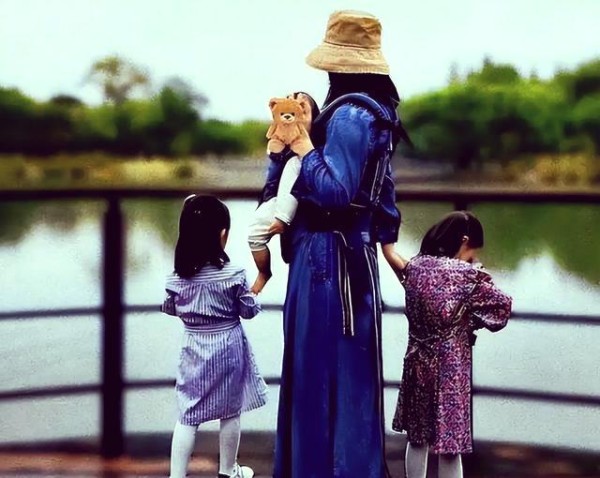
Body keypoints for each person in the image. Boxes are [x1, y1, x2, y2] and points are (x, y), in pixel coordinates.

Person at [272, 10, 409, 478]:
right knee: (352, 370)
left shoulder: (349, 115)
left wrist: (303, 148)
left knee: (319, 371)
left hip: (327, 261)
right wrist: (387, 244)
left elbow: (335, 192)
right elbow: (383, 191)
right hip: (355, 257)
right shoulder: (376, 112)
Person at [391, 211, 513, 478]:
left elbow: (404, 275)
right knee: (450, 444)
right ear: (465, 240)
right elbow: (502, 308)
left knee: (417, 437)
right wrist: (470, 319)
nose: (473, 257)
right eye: (473, 250)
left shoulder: (416, 266)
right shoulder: (468, 276)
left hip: (417, 360)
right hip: (450, 366)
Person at [161, 195, 267, 478]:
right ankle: (228, 470)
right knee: (230, 409)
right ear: (222, 234)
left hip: (193, 346)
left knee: (188, 413)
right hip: (228, 348)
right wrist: (255, 290)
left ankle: (176, 475)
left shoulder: (176, 278)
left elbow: (171, 308)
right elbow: (247, 311)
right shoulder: (233, 274)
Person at [248, 92, 320, 294]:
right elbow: (270, 182)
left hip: (305, 229)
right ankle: (264, 272)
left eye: (302, 109)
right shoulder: (278, 145)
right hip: (276, 202)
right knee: (254, 233)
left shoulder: (317, 154)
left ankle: (282, 218)